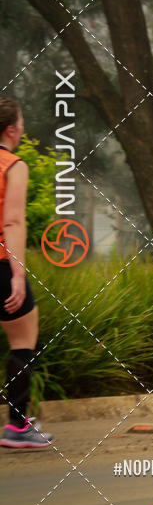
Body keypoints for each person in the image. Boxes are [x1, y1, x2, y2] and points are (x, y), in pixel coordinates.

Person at [0, 98, 53, 448]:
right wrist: (17, 274)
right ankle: (17, 427)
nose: (23, 128)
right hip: (1, 264)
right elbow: (13, 221)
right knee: (22, 340)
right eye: (21, 122)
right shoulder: (13, 165)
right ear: (11, 129)